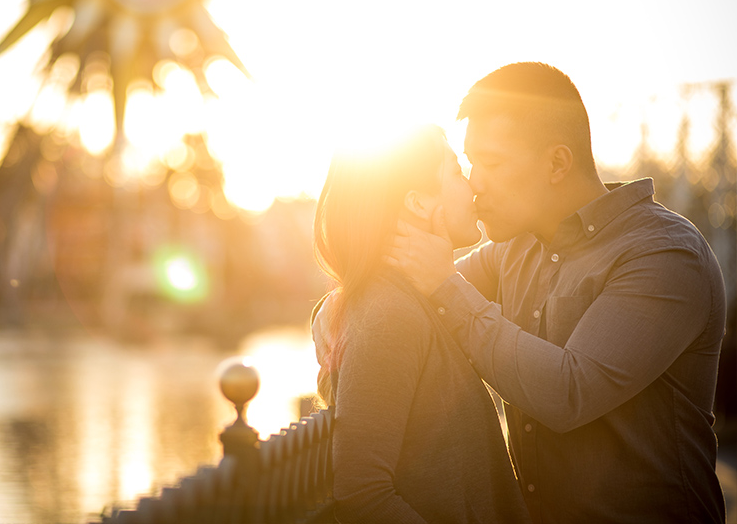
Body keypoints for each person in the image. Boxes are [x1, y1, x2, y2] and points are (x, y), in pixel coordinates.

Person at [380, 62, 727, 523]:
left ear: (557, 163)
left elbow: (569, 393)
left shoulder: (663, 255)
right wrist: (349, 300)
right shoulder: (514, 248)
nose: (474, 182)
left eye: (493, 162)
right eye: (470, 162)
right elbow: (412, 294)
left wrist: (445, 283)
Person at [311, 124, 532, 523]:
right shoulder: (390, 312)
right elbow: (362, 493)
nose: (473, 187)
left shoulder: (417, 296)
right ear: (417, 202)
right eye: (456, 172)